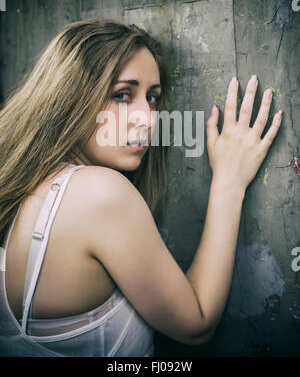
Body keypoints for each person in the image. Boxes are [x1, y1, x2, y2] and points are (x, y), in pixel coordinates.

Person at [0, 18, 283, 357]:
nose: (148, 118)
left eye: (152, 98)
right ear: (70, 96)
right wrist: (229, 181)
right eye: (122, 95)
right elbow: (197, 324)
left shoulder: (24, 189)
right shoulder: (99, 193)